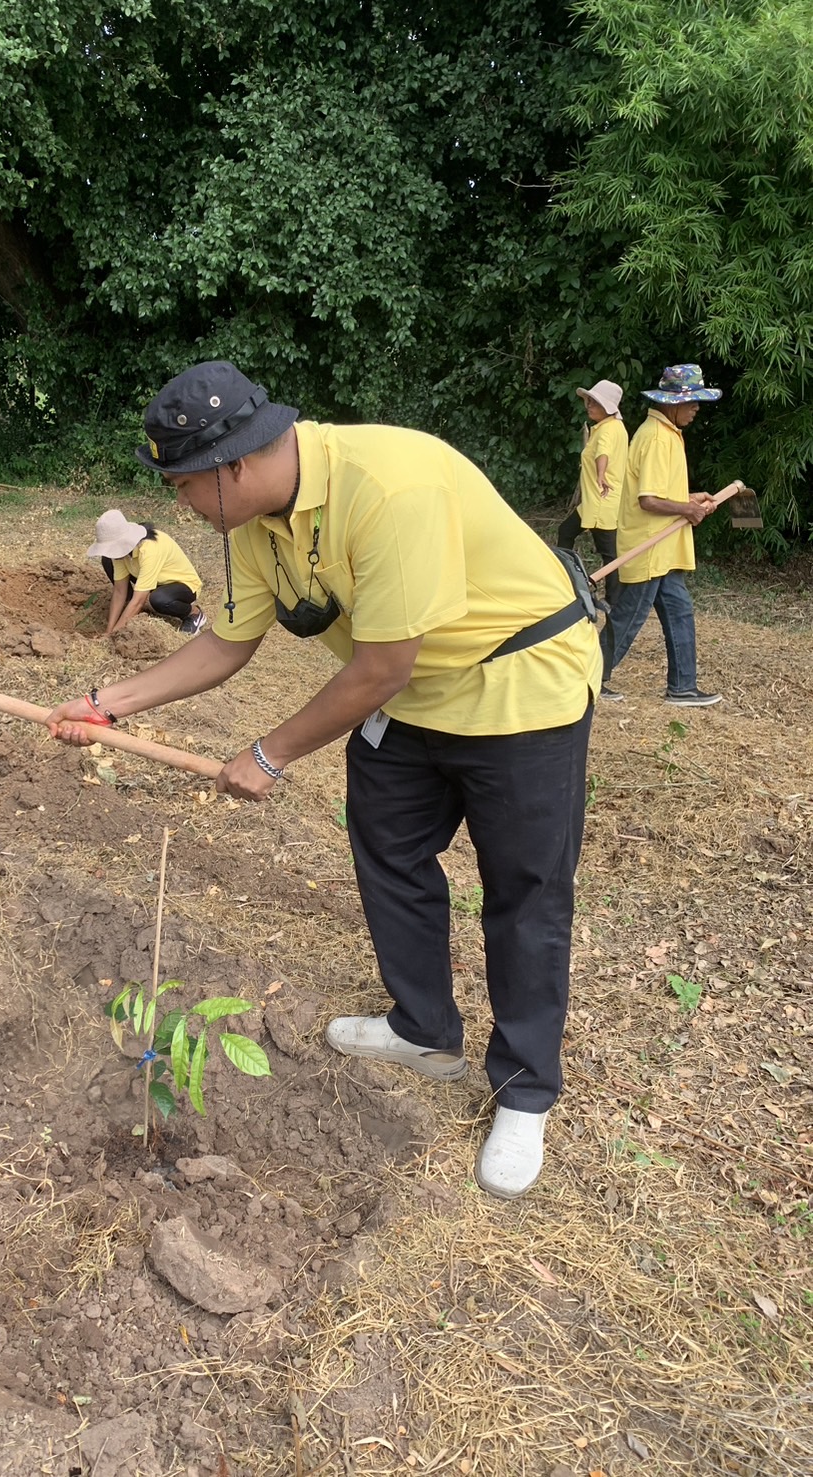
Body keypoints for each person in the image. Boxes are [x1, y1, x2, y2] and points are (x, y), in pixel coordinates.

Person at [48, 361, 601, 1199]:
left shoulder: (389, 486)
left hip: (517, 685)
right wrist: (104, 703)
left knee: (524, 890)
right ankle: (425, 1030)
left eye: (184, 485)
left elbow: (381, 663)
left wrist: (267, 753)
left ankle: (525, 1090)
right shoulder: (255, 521)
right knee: (385, 843)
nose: (183, 506)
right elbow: (229, 642)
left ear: (232, 463)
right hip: (412, 698)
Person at [600, 364, 726, 706]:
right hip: (648, 546)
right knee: (628, 616)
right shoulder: (656, 437)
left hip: (663, 546)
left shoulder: (667, 433)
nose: (697, 407)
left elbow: (659, 490)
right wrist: (687, 510)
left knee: (679, 610)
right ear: (672, 403)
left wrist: (689, 498)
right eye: (693, 401)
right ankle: (589, 678)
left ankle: (683, 687)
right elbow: (648, 500)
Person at [556, 379, 628, 608]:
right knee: (566, 532)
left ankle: (612, 601)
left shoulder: (607, 430)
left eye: (595, 402)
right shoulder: (616, 427)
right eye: (588, 401)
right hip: (595, 502)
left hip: (600, 502)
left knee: (609, 555)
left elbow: (603, 453)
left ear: (608, 407)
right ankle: (569, 583)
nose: (589, 405)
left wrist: (600, 474)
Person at [86, 509, 206, 636]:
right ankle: (131, 611)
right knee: (107, 560)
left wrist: (114, 635)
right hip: (154, 580)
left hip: (182, 585)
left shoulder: (149, 549)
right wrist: (109, 631)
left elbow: (139, 601)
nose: (112, 551)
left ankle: (193, 613)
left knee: (159, 599)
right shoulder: (120, 553)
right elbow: (120, 591)